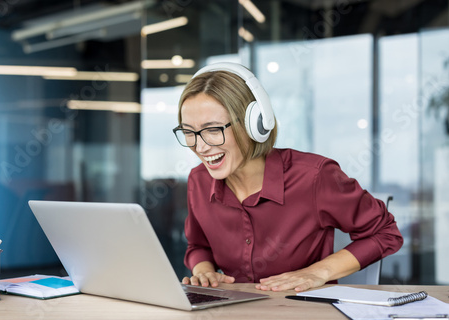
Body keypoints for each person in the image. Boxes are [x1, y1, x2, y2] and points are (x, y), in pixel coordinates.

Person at [172, 62, 403, 292]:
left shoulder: (314, 177)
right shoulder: (199, 181)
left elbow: (386, 232)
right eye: (189, 132)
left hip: (307, 318)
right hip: (235, 318)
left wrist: (319, 271)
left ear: (254, 124)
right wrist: (204, 273)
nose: (199, 146)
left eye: (213, 130)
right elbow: (199, 245)